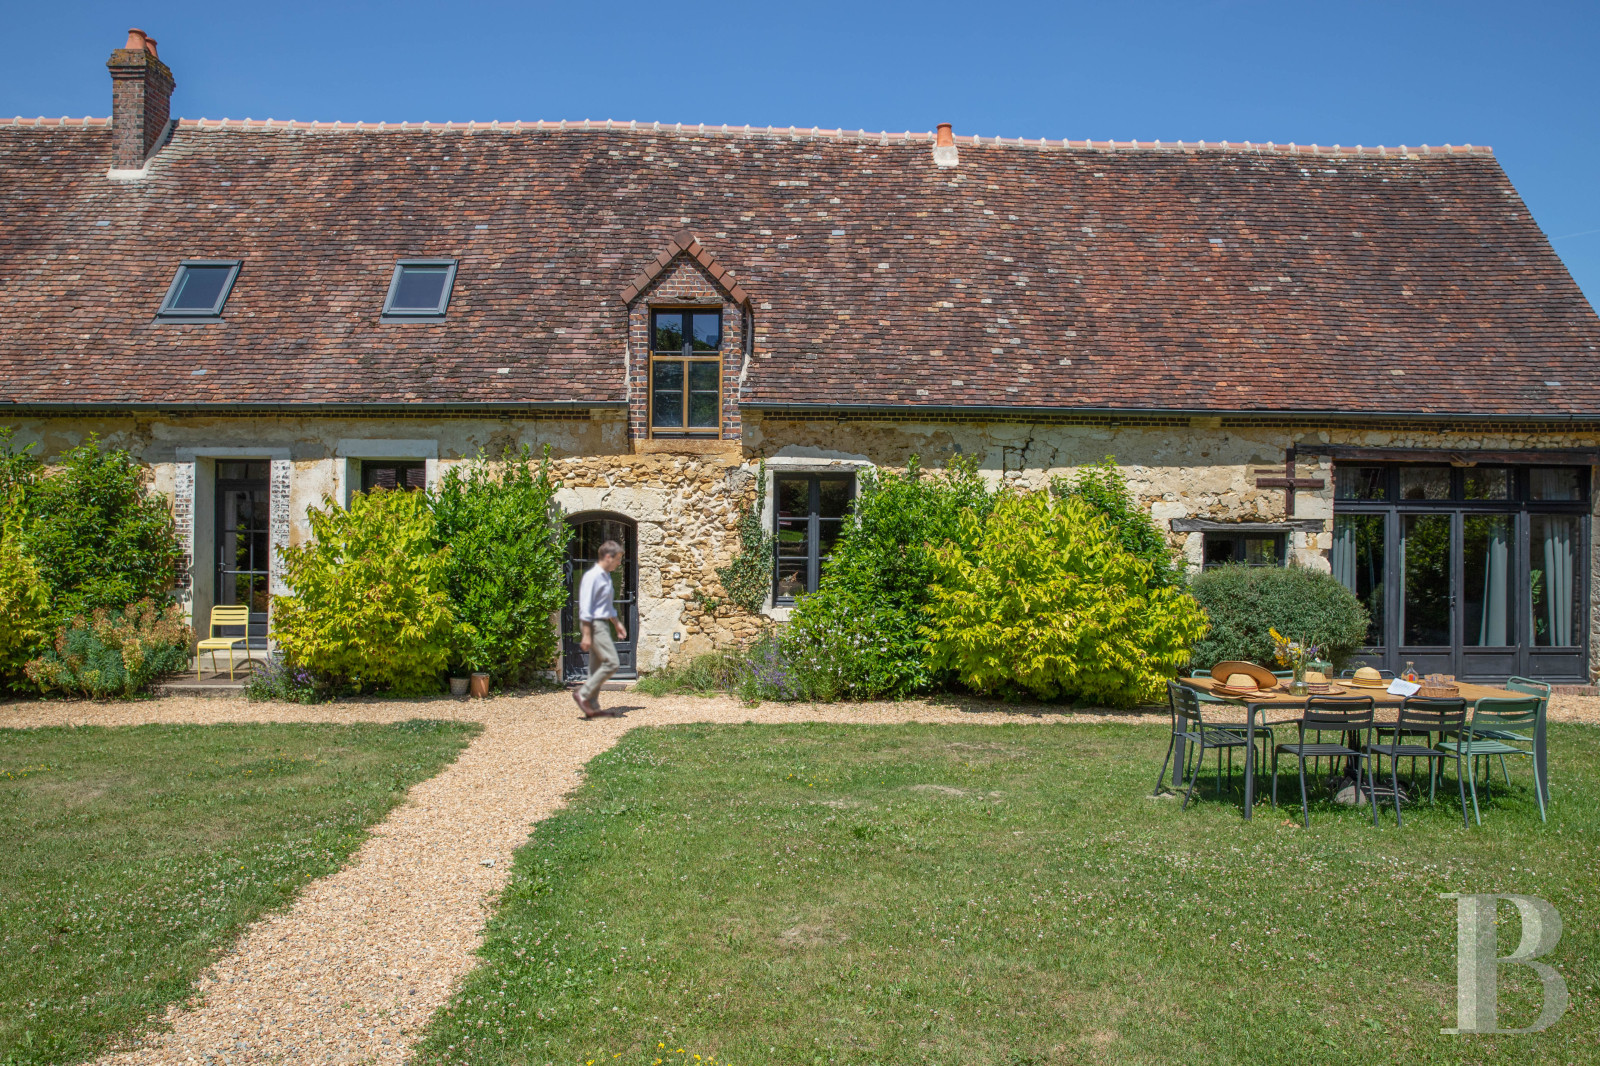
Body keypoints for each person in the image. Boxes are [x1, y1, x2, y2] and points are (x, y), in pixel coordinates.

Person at [574, 540, 628, 718]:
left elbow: (606, 605)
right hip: (593, 624)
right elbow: (585, 606)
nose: (619, 563)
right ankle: (583, 693)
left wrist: (617, 623)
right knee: (612, 662)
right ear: (607, 557)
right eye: (618, 559)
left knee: (595, 668)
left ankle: (593, 706)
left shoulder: (606, 576)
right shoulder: (593, 576)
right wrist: (587, 635)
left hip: (602, 622)